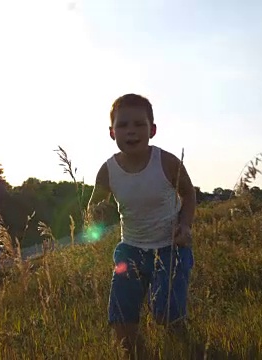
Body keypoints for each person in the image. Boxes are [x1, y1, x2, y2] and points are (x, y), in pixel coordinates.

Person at [86, 93, 197, 359]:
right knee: (122, 316)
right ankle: (133, 353)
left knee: (166, 314)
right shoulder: (108, 170)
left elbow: (189, 194)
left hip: (170, 249)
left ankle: (187, 349)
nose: (131, 131)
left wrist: (184, 225)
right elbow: (93, 207)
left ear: (152, 130)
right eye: (123, 125)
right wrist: (96, 215)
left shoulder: (167, 162)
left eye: (139, 124)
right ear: (112, 132)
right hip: (130, 250)